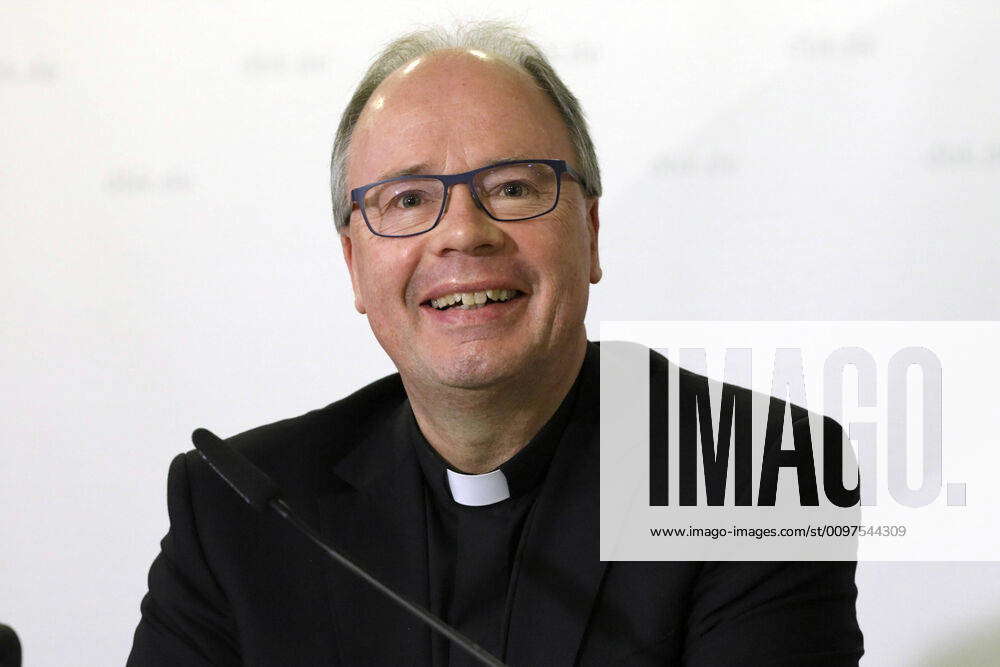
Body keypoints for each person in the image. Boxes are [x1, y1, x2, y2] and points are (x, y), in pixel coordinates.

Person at [127, 21, 864, 666]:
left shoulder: (755, 478)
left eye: (513, 187)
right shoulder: (241, 507)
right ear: (355, 266)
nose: (462, 233)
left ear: (592, 233)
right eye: (409, 200)